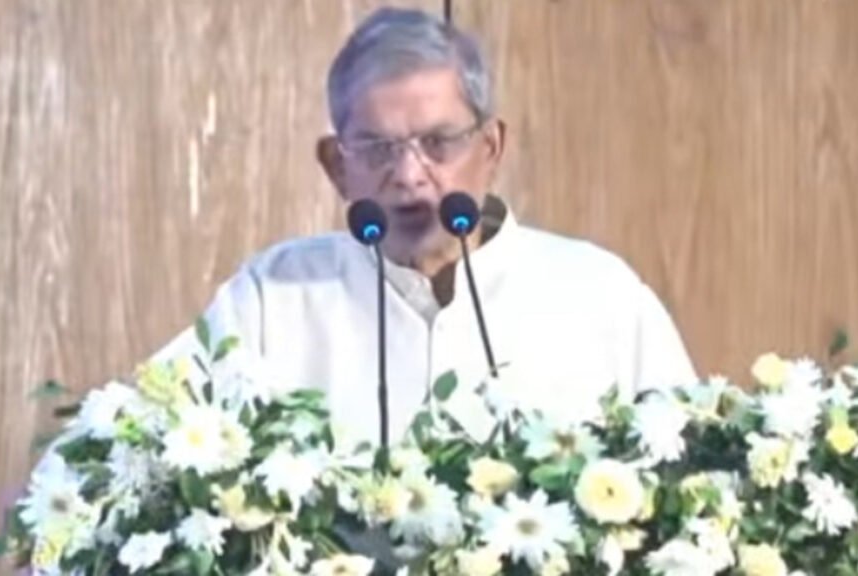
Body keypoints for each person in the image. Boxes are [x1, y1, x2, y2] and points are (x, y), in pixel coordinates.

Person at [154, 7, 697, 448]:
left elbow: (694, 481)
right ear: (337, 167)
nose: (410, 175)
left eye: (439, 142)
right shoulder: (271, 299)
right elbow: (137, 446)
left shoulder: (599, 295)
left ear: (491, 148)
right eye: (378, 148)